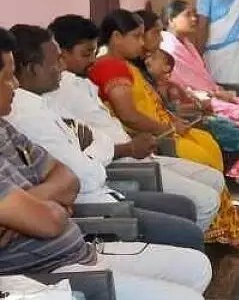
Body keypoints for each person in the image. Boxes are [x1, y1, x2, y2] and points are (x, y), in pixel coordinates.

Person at [0, 26, 211, 300]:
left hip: (79, 248)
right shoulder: (23, 113)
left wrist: (33, 205)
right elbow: (52, 216)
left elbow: (67, 179)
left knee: (196, 268)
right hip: (46, 273)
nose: (14, 85)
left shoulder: (4, 129)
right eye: (6, 77)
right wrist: (49, 205)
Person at [6, 24, 204, 251]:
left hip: (103, 185)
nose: (62, 67)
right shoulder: (27, 114)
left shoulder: (43, 101)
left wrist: (90, 159)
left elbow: (91, 144)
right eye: (55, 62)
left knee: (184, 207)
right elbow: (84, 177)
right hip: (93, 209)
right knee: (188, 232)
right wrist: (96, 159)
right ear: (31, 68)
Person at [45, 14, 228, 234]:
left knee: (215, 179)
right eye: (85, 54)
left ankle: (188, 238)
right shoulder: (56, 91)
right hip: (118, 163)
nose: (92, 60)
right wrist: (135, 144)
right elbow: (124, 118)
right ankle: (188, 241)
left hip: (135, 152)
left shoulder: (79, 82)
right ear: (61, 53)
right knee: (206, 201)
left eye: (93, 52)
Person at [87, 9, 239, 245]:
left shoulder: (123, 65)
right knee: (204, 168)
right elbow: (129, 116)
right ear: (117, 37)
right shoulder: (110, 66)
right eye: (136, 36)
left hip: (148, 137)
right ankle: (192, 240)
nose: (142, 43)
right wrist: (166, 128)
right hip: (138, 144)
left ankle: (203, 235)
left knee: (209, 154)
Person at [160, 1, 239, 191]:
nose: (194, 19)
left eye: (195, 14)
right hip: (197, 100)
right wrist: (213, 94)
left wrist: (219, 92)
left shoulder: (186, 44)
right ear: (171, 20)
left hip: (211, 93)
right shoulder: (169, 48)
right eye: (188, 15)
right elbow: (182, 86)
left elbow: (200, 77)